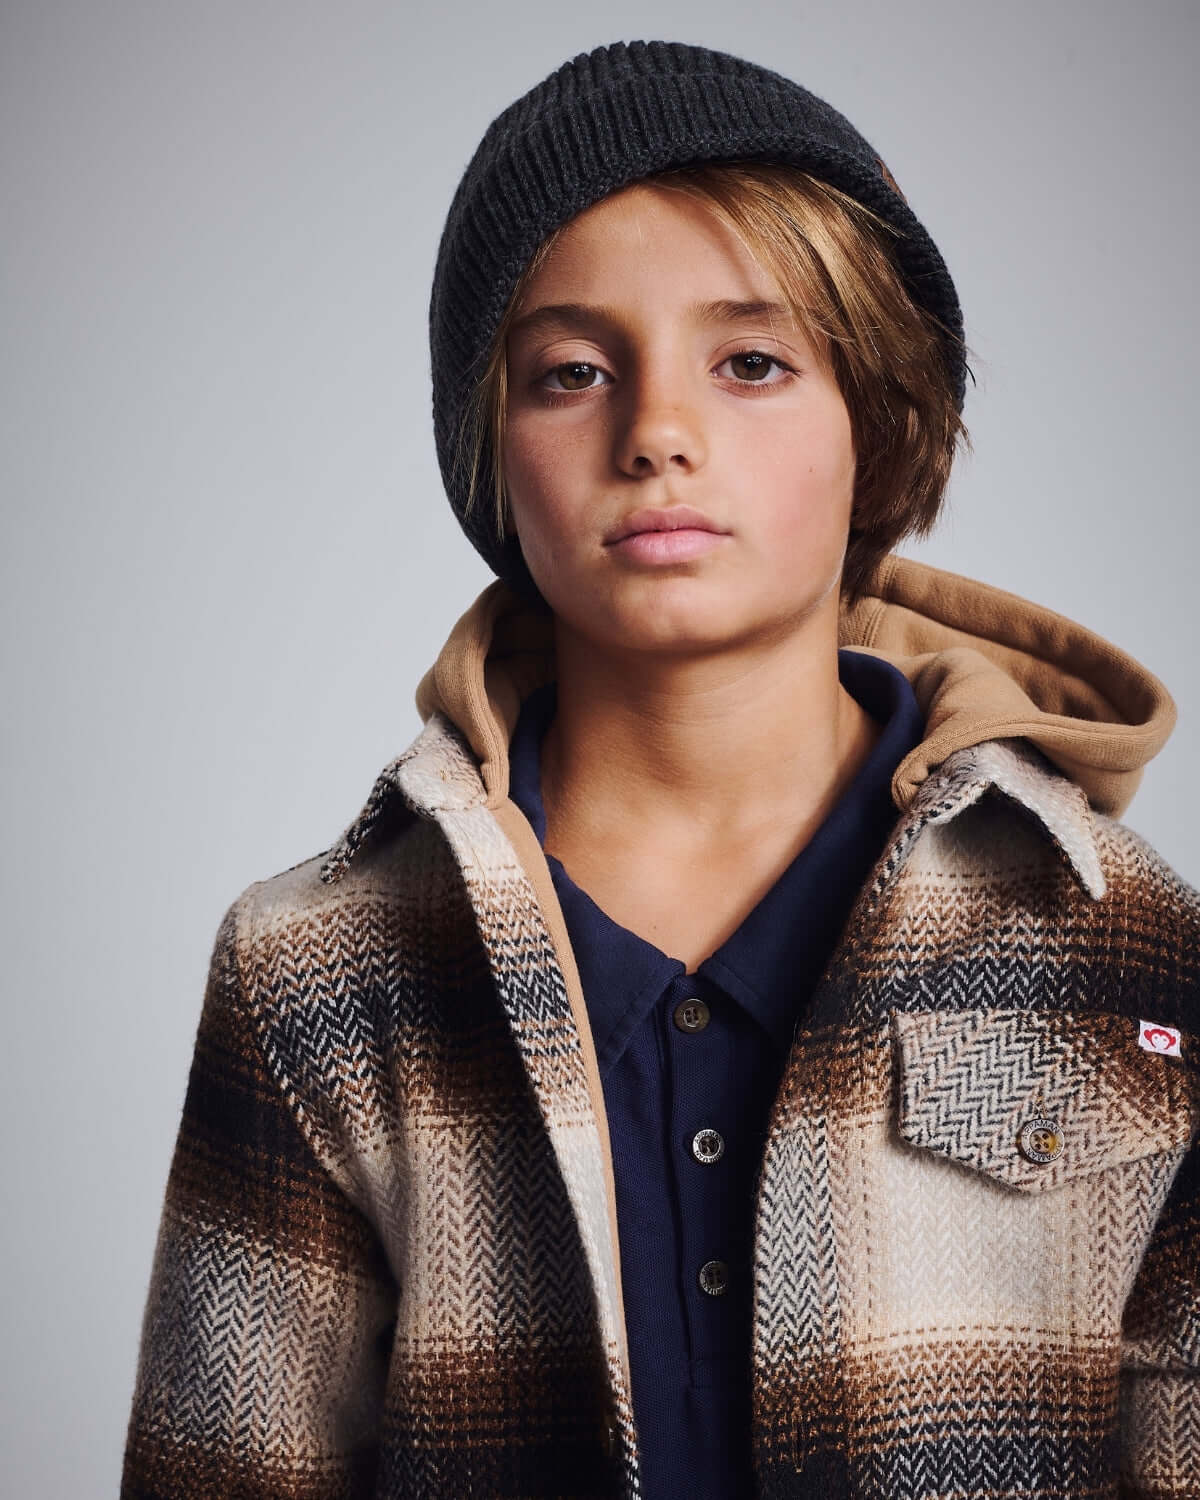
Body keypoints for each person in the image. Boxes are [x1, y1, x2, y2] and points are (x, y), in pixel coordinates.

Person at [120, 39, 1200, 1500]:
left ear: (879, 420)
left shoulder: (1124, 936)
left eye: (751, 363)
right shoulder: (315, 969)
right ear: (494, 451)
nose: (658, 435)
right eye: (572, 373)